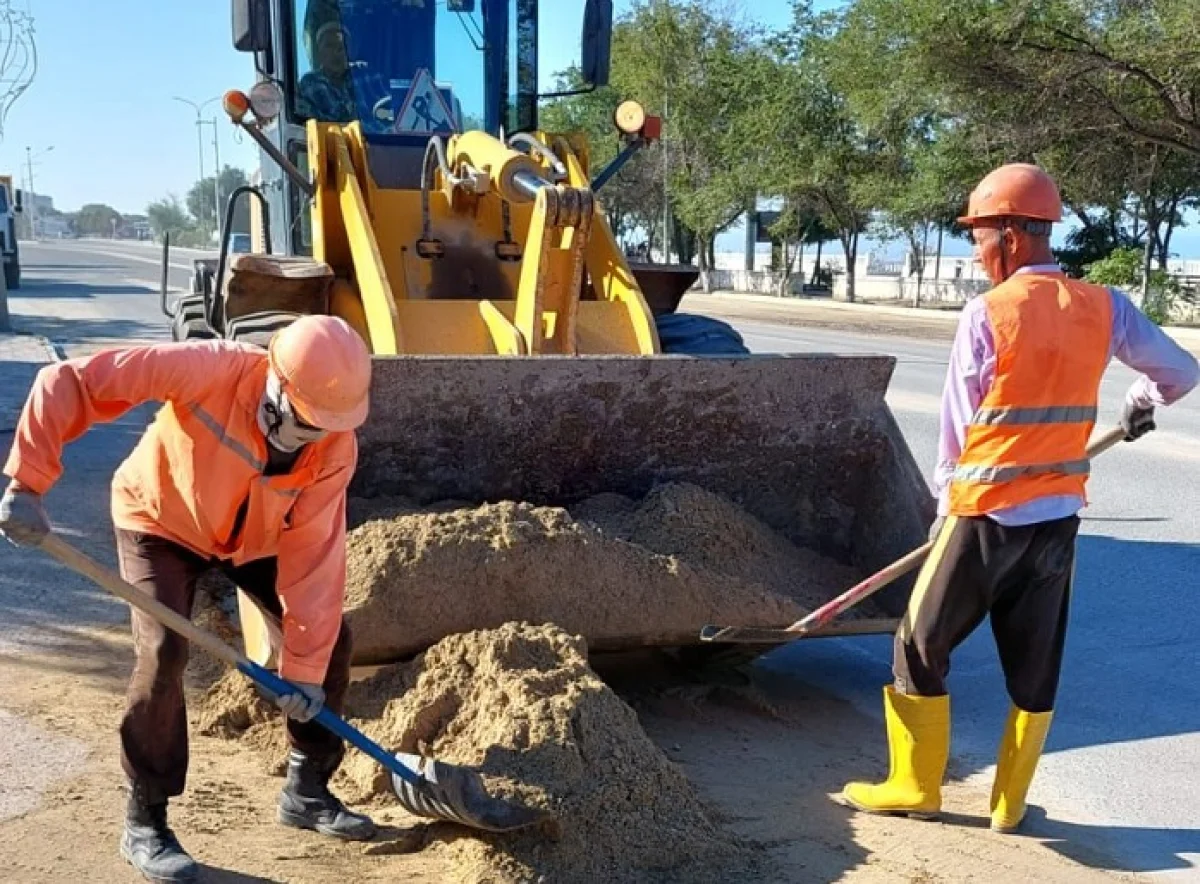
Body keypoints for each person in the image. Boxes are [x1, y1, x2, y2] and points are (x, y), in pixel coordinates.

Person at [839, 163, 1200, 833]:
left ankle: (914, 786)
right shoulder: (1106, 306)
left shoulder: (989, 313)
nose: (977, 253)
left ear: (1010, 235)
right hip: (1057, 521)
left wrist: (944, 512)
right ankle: (1009, 804)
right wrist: (1141, 401)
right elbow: (1180, 372)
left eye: (979, 237)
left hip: (984, 516)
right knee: (1035, 667)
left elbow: (956, 430)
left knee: (918, 644)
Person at [0, 316, 377, 883]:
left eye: (327, 426)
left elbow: (315, 564)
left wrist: (303, 676)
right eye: (306, 421)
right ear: (276, 384)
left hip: (252, 539)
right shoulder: (209, 370)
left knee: (328, 645)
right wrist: (27, 483)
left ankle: (307, 789)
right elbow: (70, 382)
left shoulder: (334, 449)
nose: (314, 436)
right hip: (160, 520)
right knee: (164, 650)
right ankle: (145, 819)